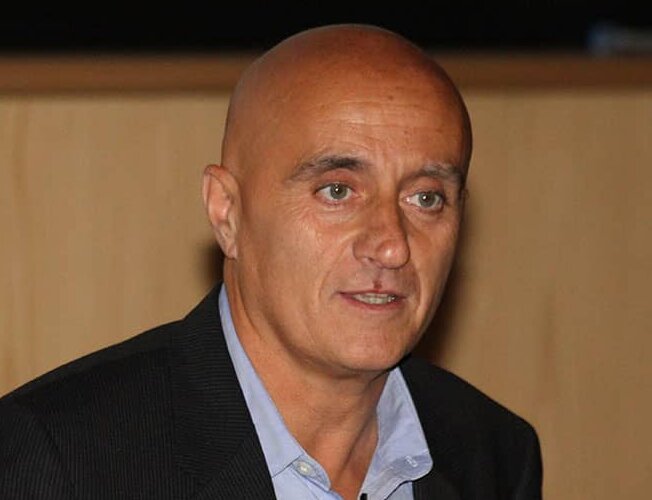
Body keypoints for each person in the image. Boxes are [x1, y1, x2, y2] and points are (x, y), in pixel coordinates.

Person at [0, 24, 542, 499]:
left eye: (426, 198)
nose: (392, 245)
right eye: (337, 191)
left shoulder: (492, 453)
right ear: (227, 212)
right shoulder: (60, 457)